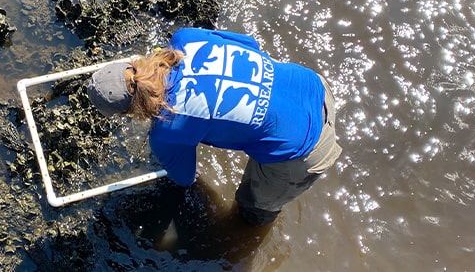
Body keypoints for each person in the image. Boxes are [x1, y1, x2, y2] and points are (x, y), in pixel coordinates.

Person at [87, 27, 342, 226]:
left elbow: (185, 178)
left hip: (307, 147)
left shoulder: (166, 132)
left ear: (130, 111)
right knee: (261, 133)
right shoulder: (185, 39)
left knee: (251, 208)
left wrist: (172, 154)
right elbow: (251, 45)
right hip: (312, 86)